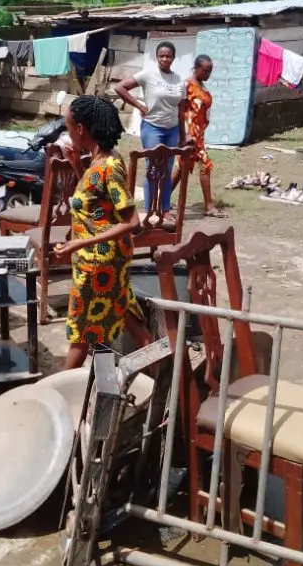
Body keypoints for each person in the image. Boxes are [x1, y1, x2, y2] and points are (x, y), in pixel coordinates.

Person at [54, 95, 153, 369]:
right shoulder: (97, 162)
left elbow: (132, 221)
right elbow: (97, 206)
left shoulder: (110, 166)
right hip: (101, 261)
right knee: (128, 319)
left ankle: (57, 395)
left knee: (82, 334)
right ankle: (166, 379)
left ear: (82, 129)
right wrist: (77, 167)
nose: (68, 133)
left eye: (69, 127)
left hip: (99, 266)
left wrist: (77, 244)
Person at [114, 41, 185, 216]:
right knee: (153, 169)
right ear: (157, 57)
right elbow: (119, 87)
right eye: (161, 56)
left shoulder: (179, 80)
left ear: (173, 58)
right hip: (153, 127)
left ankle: (165, 209)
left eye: (168, 56)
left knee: (167, 170)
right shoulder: (148, 75)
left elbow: (181, 111)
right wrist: (139, 105)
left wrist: (182, 135)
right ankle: (150, 209)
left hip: (172, 129)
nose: (165, 59)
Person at [173, 54, 223, 217]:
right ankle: (209, 206)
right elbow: (178, 110)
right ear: (196, 68)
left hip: (199, 134)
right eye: (205, 71)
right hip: (189, 134)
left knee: (182, 168)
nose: (208, 74)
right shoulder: (187, 85)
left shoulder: (202, 86)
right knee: (204, 165)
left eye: (210, 71)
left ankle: (161, 199)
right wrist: (184, 135)